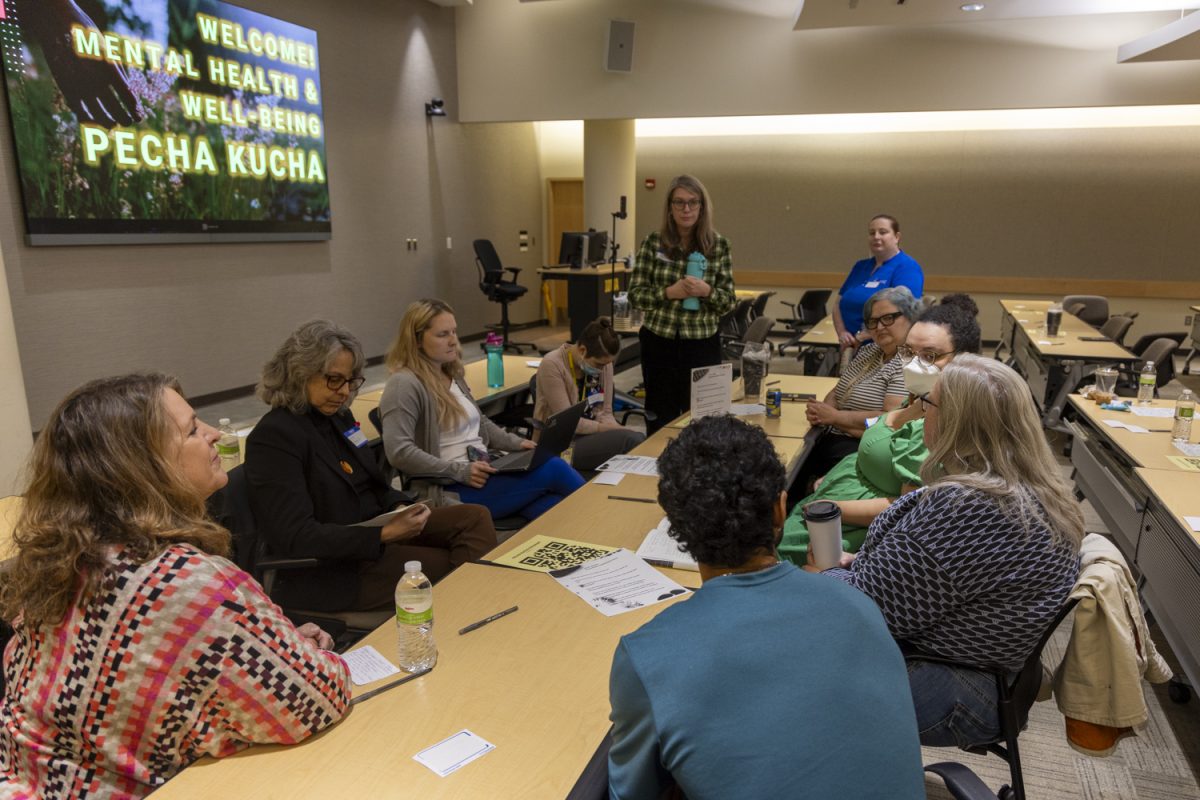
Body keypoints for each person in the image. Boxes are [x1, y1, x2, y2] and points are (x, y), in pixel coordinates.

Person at [0, 374, 350, 798]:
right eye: (192, 430)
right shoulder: (185, 582)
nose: (214, 434)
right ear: (143, 467)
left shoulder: (61, 564)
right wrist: (306, 654)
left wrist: (273, 645)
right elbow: (317, 699)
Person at [607, 416, 925, 800]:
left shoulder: (646, 655)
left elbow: (629, 793)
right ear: (781, 510)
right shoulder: (859, 603)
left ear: (674, 526)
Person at [815, 355, 1083, 749]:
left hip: (962, 686)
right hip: (996, 675)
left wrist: (822, 576)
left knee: (787, 672)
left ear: (958, 421)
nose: (922, 413)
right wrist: (866, 567)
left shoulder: (966, 507)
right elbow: (929, 579)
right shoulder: (1033, 486)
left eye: (929, 403)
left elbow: (866, 613)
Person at [244, 320, 496, 614]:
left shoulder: (338, 417)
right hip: (336, 568)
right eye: (334, 379)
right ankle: (475, 614)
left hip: (376, 532)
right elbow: (296, 537)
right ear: (300, 373)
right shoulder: (275, 437)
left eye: (351, 381)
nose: (344, 391)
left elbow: (374, 483)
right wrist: (382, 535)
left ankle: (472, 607)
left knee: (474, 518)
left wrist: (401, 505)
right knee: (446, 567)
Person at [780, 294, 981, 564]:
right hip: (834, 509)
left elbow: (908, 508)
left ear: (963, 360)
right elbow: (879, 434)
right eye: (908, 352)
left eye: (930, 356)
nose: (913, 364)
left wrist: (829, 506)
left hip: (850, 532)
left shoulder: (936, 424)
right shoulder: (915, 398)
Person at [379, 299, 584, 520]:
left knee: (553, 505)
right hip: (450, 487)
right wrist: (460, 471)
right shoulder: (404, 384)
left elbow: (480, 422)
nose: (453, 341)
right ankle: (606, 518)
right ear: (416, 340)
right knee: (554, 468)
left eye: (454, 332)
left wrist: (516, 443)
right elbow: (399, 452)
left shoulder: (451, 374)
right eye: (442, 335)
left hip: (484, 471)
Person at [629, 175, 735, 434]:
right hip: (658, 342)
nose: (686, 209)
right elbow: (635, 295)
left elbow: (728, 302)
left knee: (703, 418)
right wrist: (669, 292)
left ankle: (699, 472)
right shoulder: (653, 242)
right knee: (659, 416)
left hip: (701, 344)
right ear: (669, 207)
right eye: (679, 202)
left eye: (692, 202)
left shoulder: (718, 245)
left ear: (701, 206)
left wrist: (707, 291)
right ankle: (657, 468)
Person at [801, 285, 922, 481]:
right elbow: (838, 392)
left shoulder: (909, 361)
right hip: (832, 435)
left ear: (910, 318)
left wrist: (836, 418)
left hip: (862, 449)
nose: (879, 327)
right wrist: (821, 413)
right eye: (873, 322)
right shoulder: (869, 352)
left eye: (888, 318)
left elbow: (889, 420)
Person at [533, 316, 644, 472]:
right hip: (559, 446)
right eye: (599, 364)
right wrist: (612, 430)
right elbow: (568, 424)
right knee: (631, 441)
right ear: (583, 350)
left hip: (589, 436)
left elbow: (605, 413)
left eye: (606, 364)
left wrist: (615, 428)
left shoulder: (605, 364)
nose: (602, 369)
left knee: (636, 439)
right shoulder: (552, 364)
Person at [832, 214, 923, 350]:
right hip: (850, 347)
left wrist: (861, 337)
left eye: (883, 232)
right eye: (872, 233)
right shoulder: (860, 266)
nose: (876, 237)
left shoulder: (907, 267)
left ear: (897, 237)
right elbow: (838, 303)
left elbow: (905, 314)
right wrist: (842, 333)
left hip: (884, 349)